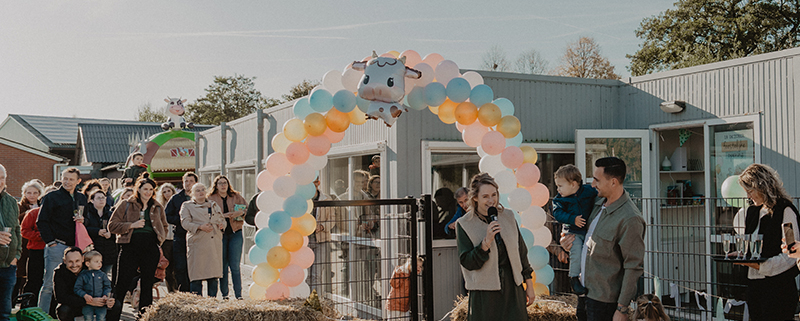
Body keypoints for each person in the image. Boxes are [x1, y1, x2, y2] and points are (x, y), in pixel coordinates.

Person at [568, 157, 645, 321]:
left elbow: (633, 267)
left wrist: (622, 308)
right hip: (585, 293)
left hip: (604, 303)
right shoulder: (596, 202)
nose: (593, 184)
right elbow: (584, 236)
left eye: (597, 180)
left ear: (613, 182)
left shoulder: (630, 219)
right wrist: (567, 241)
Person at [456, 172, 535, 321]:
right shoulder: (464, 224)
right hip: (485, 296)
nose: (491, 200)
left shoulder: (509, 217)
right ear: (475, 198)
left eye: (494, 195)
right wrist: (485, 244)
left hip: (513, 290)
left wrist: (529, 285)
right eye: (485, 196)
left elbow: (521, 253)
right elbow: (466, 262)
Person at [734, 163, 799, 321]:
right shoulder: (751, 212)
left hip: (779, 290)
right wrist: (741, 255)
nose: (748, 196)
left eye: (750, 191)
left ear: (762, 187)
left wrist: (760, 265)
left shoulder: (786, 210)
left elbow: (792, 254)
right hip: (754, 288)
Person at [108, 176, 168, 316]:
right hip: (130, 247)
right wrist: (131, 225)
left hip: (150, 247)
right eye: (145, 189)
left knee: (147, 286)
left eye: (150, 189)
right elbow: (112, 226)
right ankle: (113, 316)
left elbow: (164, 226)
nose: (148, 192)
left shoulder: (157, 206)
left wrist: (160, 239)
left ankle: (143, 317)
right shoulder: (126, 204)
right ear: (138, 189)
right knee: (122, 284)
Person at [37, 167, 87, 315]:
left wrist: (84, 220)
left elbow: (89, 219)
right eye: (65, 178)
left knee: (74, 284)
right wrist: (51, 242)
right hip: (58, 245)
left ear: (78, 181)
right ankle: (43, 315)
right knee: (48, 285)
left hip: (77, 247)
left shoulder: (82, 198)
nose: (67, 181)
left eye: (71, 179)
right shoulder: (52, 197)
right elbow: (42, 221)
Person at [552, 164, 597, 295]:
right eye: (557, 186)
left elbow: (598, 194)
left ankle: (587, 279)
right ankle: (573, 278)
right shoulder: (559, 199)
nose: (558, 189)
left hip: (588, 231)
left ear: (573, 184)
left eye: (560, 186)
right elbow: (558, 214)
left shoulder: (588, 191)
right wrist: (572, 219)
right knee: (576, 253)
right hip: (572, 232)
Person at [180, 183, 225, 297]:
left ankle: (212, 301)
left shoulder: (213, 205)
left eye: (203, 190)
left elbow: (222, 219)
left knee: (213, 276)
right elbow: (185, 223)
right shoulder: (187, 206)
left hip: (213, 243)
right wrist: (200, 227)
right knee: (196, 276)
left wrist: (221, 225)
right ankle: (197, 303)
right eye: (198, 190)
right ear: (193, 193)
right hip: (198, 242)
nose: (201, 192)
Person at [206, 175, 246, 299]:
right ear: (216, 186)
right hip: (219, 235)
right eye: (220, 183)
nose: (223, 185)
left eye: (225, 183)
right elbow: (207, 215)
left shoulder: (236, 196)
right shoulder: (210, 198)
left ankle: (239, 294)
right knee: (222, 266)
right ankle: (225, 294)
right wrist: (224, 215)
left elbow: (246, 209)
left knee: (235, 265)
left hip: (235, 233)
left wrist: (241, 213)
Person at [54, 247, 115, 321]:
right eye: (70, 262)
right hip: (77, 304)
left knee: (115, 304)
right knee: (63, 310)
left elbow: (109, 286)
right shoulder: (59, 272)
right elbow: (61, 297)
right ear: (64, 261)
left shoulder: (90, 267)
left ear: (82, 259)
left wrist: (108, 298)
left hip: (98, 301)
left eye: (77, 261)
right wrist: (87, 301)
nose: (74, 265)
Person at [20, 185, 57, 308]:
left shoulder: (61, 215)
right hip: (37, 251)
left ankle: (50, 309)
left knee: (52, 282)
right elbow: (24, 230)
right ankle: (27, 307)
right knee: (33, 281)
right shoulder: (33, 213)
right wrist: (41, 235)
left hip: (55, 251)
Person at [165, 172, 197, 292]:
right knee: (180, 266)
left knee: (194, 267)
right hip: (180, 236)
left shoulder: (200, 198)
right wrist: (182, 221)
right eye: (186, 181)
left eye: (191, 181)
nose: (188, 184)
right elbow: (167, 215)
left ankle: (195, 292)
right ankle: (183, 292)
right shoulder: (176, 198)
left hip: (197, 236)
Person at [15, 180, 43, 305]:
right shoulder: (19, 206)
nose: (31, 195)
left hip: (38, 247)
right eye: (28, 192)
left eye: (35, 192)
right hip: (22, 244)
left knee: (35, 276)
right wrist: (25, 214)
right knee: (19, 275)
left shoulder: (44, 206)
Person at [0, 164, 22, 321]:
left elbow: (16, 230)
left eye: (2, 178)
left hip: (8, 265)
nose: (0, 181)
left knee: (5, 312)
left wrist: (17, 255)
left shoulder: (11, 202)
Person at [307, 177, 336, 293]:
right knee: (306, 275)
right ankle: (305, 300)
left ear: (318, 183)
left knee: (317, 275)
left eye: (314, 183)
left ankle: (315, 302)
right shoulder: (302, 199)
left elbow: (332, 220)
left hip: (322, 241)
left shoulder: (326, 199)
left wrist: (323, 226)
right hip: (305, 241)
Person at [83, 189, 116, 276]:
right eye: (98, 198)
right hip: (92, 249)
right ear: (92, 200)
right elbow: (83, 229)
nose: (101, 200)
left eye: (103, 198)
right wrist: (97, 231)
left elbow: (116, 229)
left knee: (103, 275)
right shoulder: (87, 214)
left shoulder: (111, 214)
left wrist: (111, 234)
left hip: (108, 251)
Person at [73, 251, 111, 321]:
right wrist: (84, 295)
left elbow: (107, 287)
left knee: (102, 318)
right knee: (88, 318)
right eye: (96, 261)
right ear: (88, 263)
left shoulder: (102, 275)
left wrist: (105, 295)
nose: (99, 263)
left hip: (101, 302)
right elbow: (77, 288)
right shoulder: (83, 275)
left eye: (101, 261)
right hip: (87, 303)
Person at [155, 183, 177, 292]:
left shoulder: (177, 204)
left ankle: (178, 289)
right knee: (167, 266)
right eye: (164, 191)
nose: (167, 194)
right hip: (166, 239)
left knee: (177, 266)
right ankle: (171, 290)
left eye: (169, 191)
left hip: (176, 237)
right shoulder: (160, 207)